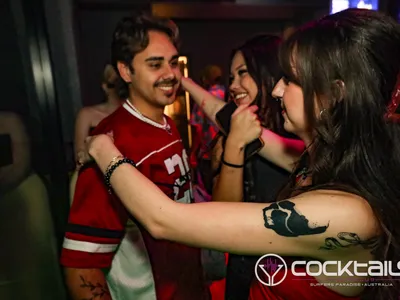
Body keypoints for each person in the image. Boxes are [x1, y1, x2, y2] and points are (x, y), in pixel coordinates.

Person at [84, 8, 400, 300]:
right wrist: (183, 82)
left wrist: (101, 147)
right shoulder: (322, 160)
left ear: (334, 94)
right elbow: (228, 118)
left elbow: (163, 220)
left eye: (290, 80)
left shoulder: (346, 214)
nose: (276, 90)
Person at [61, 14, 209, 300]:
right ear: (126, 72)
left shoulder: (167, 124)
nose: (170, 74)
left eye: (173, 62)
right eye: (155, 64)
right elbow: (80, 266)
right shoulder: (112, 144)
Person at [209, 34, 298, 300]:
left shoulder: (296, 132)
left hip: (290, 270)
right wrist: (233, 143)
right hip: (244, 267)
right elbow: (222, 213)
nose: (233, 85)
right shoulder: (227, 138)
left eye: (242, 73)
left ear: (267, 72)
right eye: (231, 77)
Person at [69, 64, 122, 204]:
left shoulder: (133, 115)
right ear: (105, 87)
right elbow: (79, 155)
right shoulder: (88, 115)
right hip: (97, 182)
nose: (118, 90)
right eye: (113, 85)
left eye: (121, 85)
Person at [190, 64, 225, 200]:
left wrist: (193, 153)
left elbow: (197, 127)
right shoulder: (229, 94)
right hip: (228, 153)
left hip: (208, 154)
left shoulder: (204, 99)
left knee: (210, 194)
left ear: (206, 79)